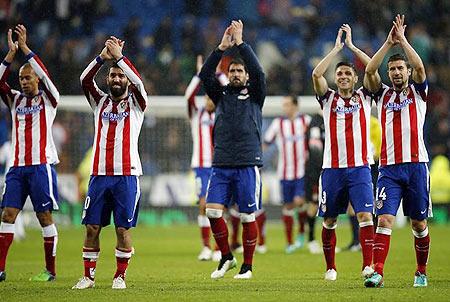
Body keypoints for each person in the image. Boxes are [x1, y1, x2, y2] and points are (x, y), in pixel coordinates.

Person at [72, 36, 148, 290]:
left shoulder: (136, 104)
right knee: (92, 228)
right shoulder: (99, 101)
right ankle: (88, 277)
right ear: (107, 79)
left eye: (120, 76)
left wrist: (120, 59)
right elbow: (84, 80)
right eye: (113, 76)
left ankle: (120, 276)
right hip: (99, 175)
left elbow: (138, 82)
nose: (116, 79)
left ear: (125, 79)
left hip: (127, 175)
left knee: (122, 230)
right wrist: (102, 58)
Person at [363, 15, 431, 288]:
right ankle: (378, 272)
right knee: (386, 219)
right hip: (389, 170)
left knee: (418, 225)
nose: (397, 73)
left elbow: (421, 66)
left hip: (416, 166)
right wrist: (388, 44)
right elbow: (369, 72)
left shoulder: (418, 92)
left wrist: (402, 40)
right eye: (392, 70)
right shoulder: (383, 95)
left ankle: (421, 271)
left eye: (401, 68)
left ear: (407, 71)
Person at [199, 20, 266, 280]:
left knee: (248, 216)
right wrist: (220, 49)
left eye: (240, 71)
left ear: (246, 75)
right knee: (213, 211)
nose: (237, 74)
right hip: (222, 162)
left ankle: (247, 266)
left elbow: (260, 74)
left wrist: (241, 44)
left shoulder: (256, 94)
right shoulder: (221, 94)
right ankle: (226, 255)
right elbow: (205, 76)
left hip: (248, 163)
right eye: (233, 71)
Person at [311, 24, 376, 282]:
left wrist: (352, 48)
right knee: (329, 219)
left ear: (355, 78)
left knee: (364, 215)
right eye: (340, 74)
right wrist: (337, 50)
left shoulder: (365, 97)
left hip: (360, 168)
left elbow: (372, 68)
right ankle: (330, 267)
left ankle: (368, 265)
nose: (344, 77)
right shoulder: (327, 99)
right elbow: (316, 74)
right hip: (332, 169)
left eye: (348, 73)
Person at [0, 25, 60, 282]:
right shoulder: (15, 100)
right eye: (21, 79)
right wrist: (11, 53)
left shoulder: (49, 99)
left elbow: (46, 75)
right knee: (7, 215)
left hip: (40, 166)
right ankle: (0, 269)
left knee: (43, 216)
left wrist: (25, 48)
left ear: (36, 79)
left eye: (28, 78)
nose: (24, 82)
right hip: (16, 168)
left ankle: (51, 271)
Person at [263, 95, 311, 254]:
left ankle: (302, 233)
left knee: (300, 202)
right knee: (288, 207)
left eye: (288, 104)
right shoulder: (278, 123)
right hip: (284, 172)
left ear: (296, 106)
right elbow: (266, 142)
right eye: (284, 105)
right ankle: (290, 242)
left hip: (302, 172)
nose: (285, 108)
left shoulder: (306, 121)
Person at [185, 55, 216, 261]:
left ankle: (222, 247)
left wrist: (213, 73)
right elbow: (189, 96)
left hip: (221, 166)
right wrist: (199, 75)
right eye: (206, 97)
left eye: (211, 97)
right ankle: (206, 247)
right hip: (201, 166)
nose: (208, 100)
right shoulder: (196, 114)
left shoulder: (223, 113)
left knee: (220, 207)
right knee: (204, 204)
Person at [304, 111, 325, 254]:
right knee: (313, 203)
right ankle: (311, 239)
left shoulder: (336, 116)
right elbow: (314, 147)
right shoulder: (316, 121)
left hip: (333, 168)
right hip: (316, 171)